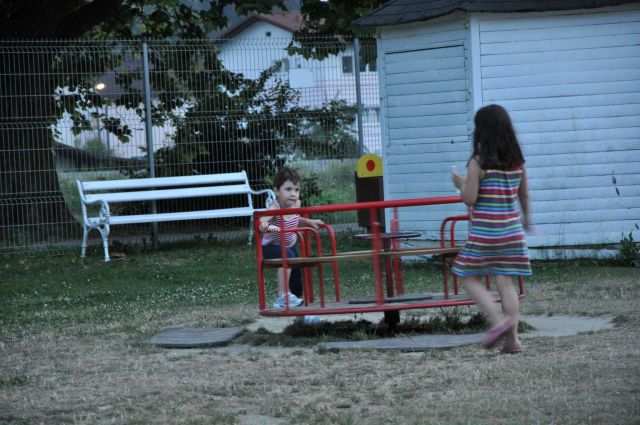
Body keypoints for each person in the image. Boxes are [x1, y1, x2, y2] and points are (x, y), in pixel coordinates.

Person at [451, 104, 532, 354]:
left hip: (486, 232)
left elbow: (470, 198)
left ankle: (498, 321)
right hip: (511, 231)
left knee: (466, 275)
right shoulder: (517, 163)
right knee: (505, 283)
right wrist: (528, 219)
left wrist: (461, 183)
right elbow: (524, 196)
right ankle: (513, 341)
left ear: (481, 132)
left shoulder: (478, 162)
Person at [259, 168, 324, 323]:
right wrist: (264, 224)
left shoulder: (297, 204)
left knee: (296, 282)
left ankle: (303, 317)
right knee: (286, 256)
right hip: (271, 247)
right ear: (277, 191)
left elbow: (296, 218)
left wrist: (309, 222)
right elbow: (263, 220)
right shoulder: (276, 207)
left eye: (296, 190)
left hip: (290, 247)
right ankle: (281, 296)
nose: (293, 194)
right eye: (288, 189)